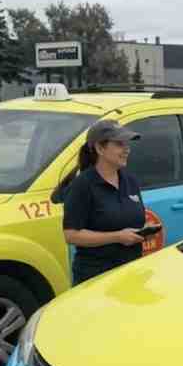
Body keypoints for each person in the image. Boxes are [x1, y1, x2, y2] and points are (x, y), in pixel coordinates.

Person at [62, 120, 148, 286]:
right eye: (119, 144)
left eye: (127, 144)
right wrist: (117, 237)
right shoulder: (83, 185)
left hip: (130, 273)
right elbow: (71, 235)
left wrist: (145, 231)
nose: (127, 149)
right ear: (100, 148)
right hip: (96, 278)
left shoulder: (130, 180)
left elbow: (129, 219)